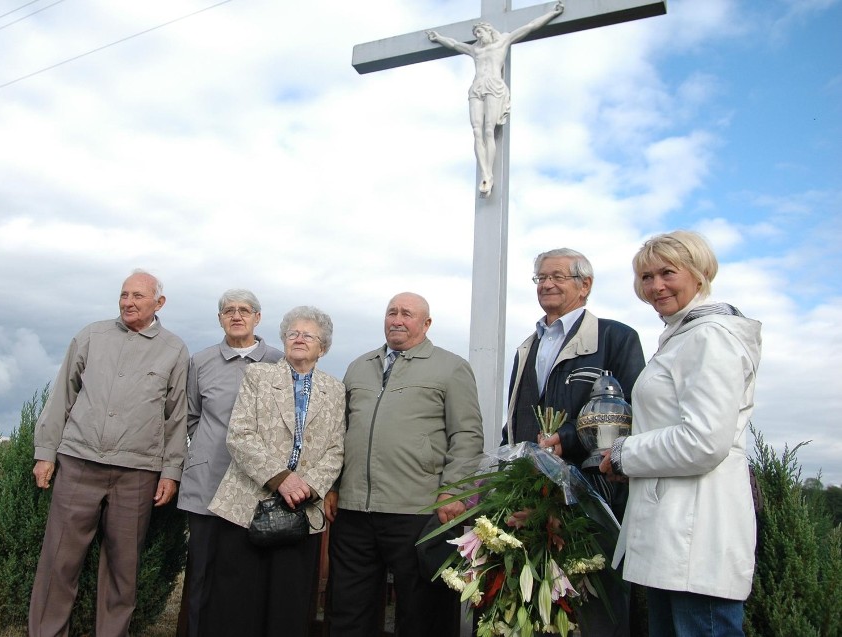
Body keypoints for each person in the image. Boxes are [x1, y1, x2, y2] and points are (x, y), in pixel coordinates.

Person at [601, 231, 761, 637]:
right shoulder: (683, 335)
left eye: (667, 273)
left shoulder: (710, 336)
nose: (655, 286)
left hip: (695, 534)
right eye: (646, 277)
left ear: (699, 272)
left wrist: (623, 454)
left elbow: (704, 440)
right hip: (672, 532)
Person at [29, 269, 189, 637]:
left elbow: (177, 416)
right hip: (79, 462)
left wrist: (171, 472)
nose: (128, 302)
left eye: (138, 296)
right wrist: (45, 453)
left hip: (138, 472)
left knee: (123, 570)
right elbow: (61, 397)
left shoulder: (175, 349)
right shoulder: (91, 335)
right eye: (124, 295)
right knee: (58, 563)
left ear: (159, 303)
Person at [504, 248, 645, 637]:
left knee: (599, 606)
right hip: (530, 493)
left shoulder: (615, 337)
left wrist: (568, 439)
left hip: (594, 495)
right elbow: (516, 418)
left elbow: (632, 411)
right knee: (534, 605)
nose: (546, 284)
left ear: (585, 285)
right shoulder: (526, 347)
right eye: (540, 278)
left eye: (558, 276)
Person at [325, 292, 483, 637]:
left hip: (419, 509)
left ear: (426, 324)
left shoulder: (451, 367)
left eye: (407, 314)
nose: (397, 319)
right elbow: (340, 433)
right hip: (354, 512)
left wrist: (454, 491)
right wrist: (335, 487)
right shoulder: (358, 366)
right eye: (391, 312)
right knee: (348, 611)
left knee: (422, 613)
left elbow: (467, 435)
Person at [204, 305, 345, 637]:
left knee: (288, 604)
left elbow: (337, 449)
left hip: (300, 509)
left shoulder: (336, 390)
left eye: (307, 335)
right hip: (246, 505)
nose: (298, 339)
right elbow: (239, 435)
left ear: (322, 347)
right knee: (236, 602)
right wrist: (282, 479)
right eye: (292, 333)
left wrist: (307, 486)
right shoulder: (258, 376)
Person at [175, 289, 283, 636]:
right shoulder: (201, 361)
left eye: (244, 310)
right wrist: (209, 447)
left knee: (246, 577)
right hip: (208, 484)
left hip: (258, 489)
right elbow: (191, 417)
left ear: (257, 318)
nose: (236, 316)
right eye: (228, 311)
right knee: (202, 574)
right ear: (220, 318)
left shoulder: (279, 362)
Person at [427, 3, 564, 196]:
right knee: (476, 130)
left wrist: (551, 13)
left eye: (480, 32)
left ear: (489, 31)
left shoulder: (503, 41)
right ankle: (484, 172)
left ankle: (488, 173)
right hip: (477, 87)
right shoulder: (475, 50)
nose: (478, 37)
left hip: (494, 86)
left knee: (489, 129)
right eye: (476, 34)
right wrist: (439, 38)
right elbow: (455, 44)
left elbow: (531, 26)